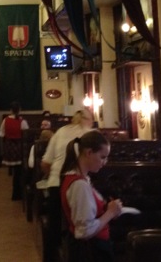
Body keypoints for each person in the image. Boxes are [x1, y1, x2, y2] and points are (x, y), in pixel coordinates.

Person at [40, 109, 95, 262]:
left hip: (56, 183)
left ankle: (50, 258)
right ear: (88, 120)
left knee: (54, 226)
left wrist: (56, 176)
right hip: (80, 184)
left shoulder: (60, 132)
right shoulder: (92, 135)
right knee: (78, 224)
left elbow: (45, 163)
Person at [60, 130, 122, 261]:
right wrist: (110, 213)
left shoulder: (81, 179)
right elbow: (84, 231)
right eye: (102, 157)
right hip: (91, 250)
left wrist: (108, 209)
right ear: (89, 153)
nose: (105, 162)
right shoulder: (79, 185)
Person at [0, 101, 29, 200]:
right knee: (19, 172)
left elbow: (1, 134)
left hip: (10, 147)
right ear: (20, 110)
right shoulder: (22, 121)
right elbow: (26, 135)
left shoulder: (5, 120)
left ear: (10, 110)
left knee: (16, 172)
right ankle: (18, 193)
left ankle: (16, 194)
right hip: (19, 148)